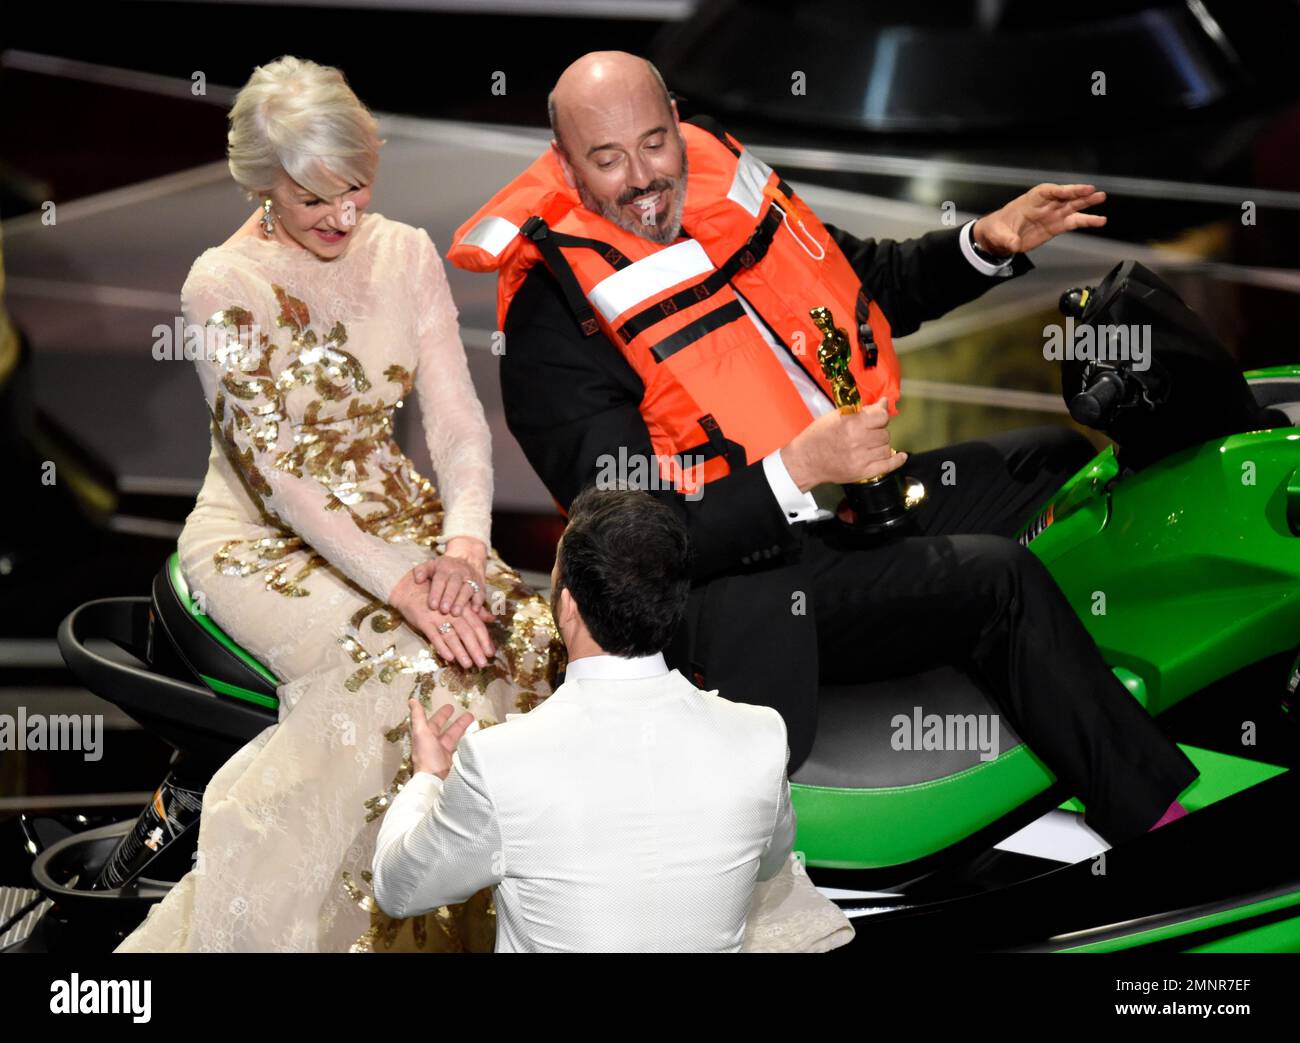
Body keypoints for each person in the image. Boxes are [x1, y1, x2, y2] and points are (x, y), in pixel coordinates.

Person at [448, 51, 1196, 849]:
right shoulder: (551, 315)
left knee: (1052, 460)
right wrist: (796, 469)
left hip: (856, 499)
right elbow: (638, 540)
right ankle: (1158, 827)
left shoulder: (716, 183)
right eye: (606, 159)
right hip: (748, 579)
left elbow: (864, 283)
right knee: (998, 578)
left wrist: (987, 240)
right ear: (563, 162)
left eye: (655, 142)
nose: (642, 178)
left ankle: (1068, 714)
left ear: (676, 117)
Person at [116, 56, 564, 953]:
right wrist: (405, 588)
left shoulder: (401, 252)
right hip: (258, 541)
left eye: (358, 186)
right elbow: (282, 481)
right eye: (316, 197)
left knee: (527, 636)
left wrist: (465, 551)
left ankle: (493, 924)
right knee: (402, 665)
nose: (345, 214)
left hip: (405, 520)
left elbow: (458, 423)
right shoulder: (220, 285)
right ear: (261, 181)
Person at [371, 486, 853, 952]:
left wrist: (428, 780)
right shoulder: (760, 736)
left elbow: (400, 890)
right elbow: (768, 867)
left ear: (567, 605)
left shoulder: (500, 762)